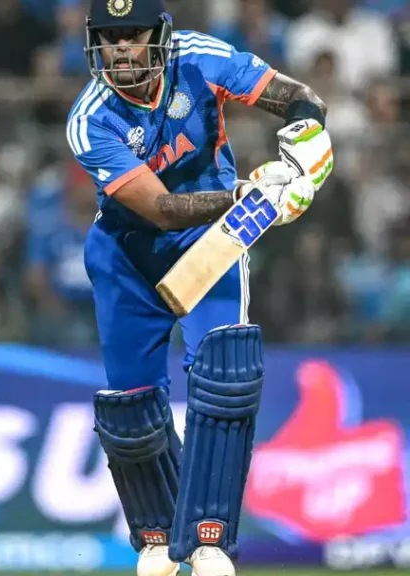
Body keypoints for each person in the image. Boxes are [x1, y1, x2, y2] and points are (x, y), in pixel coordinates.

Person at [68, 1, 333, 575]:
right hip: (126, 254)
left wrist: (308, 132)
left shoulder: (201, 57)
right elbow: (161, 210)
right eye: (108, 38)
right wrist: (252, 195)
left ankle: (210, 539)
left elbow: (291, 95)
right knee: (131, 407)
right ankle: (158, 539)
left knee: (226, 374)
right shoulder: (90, 119)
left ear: (159, 35)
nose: (120, 50)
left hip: (212, 245)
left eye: (132, 35)